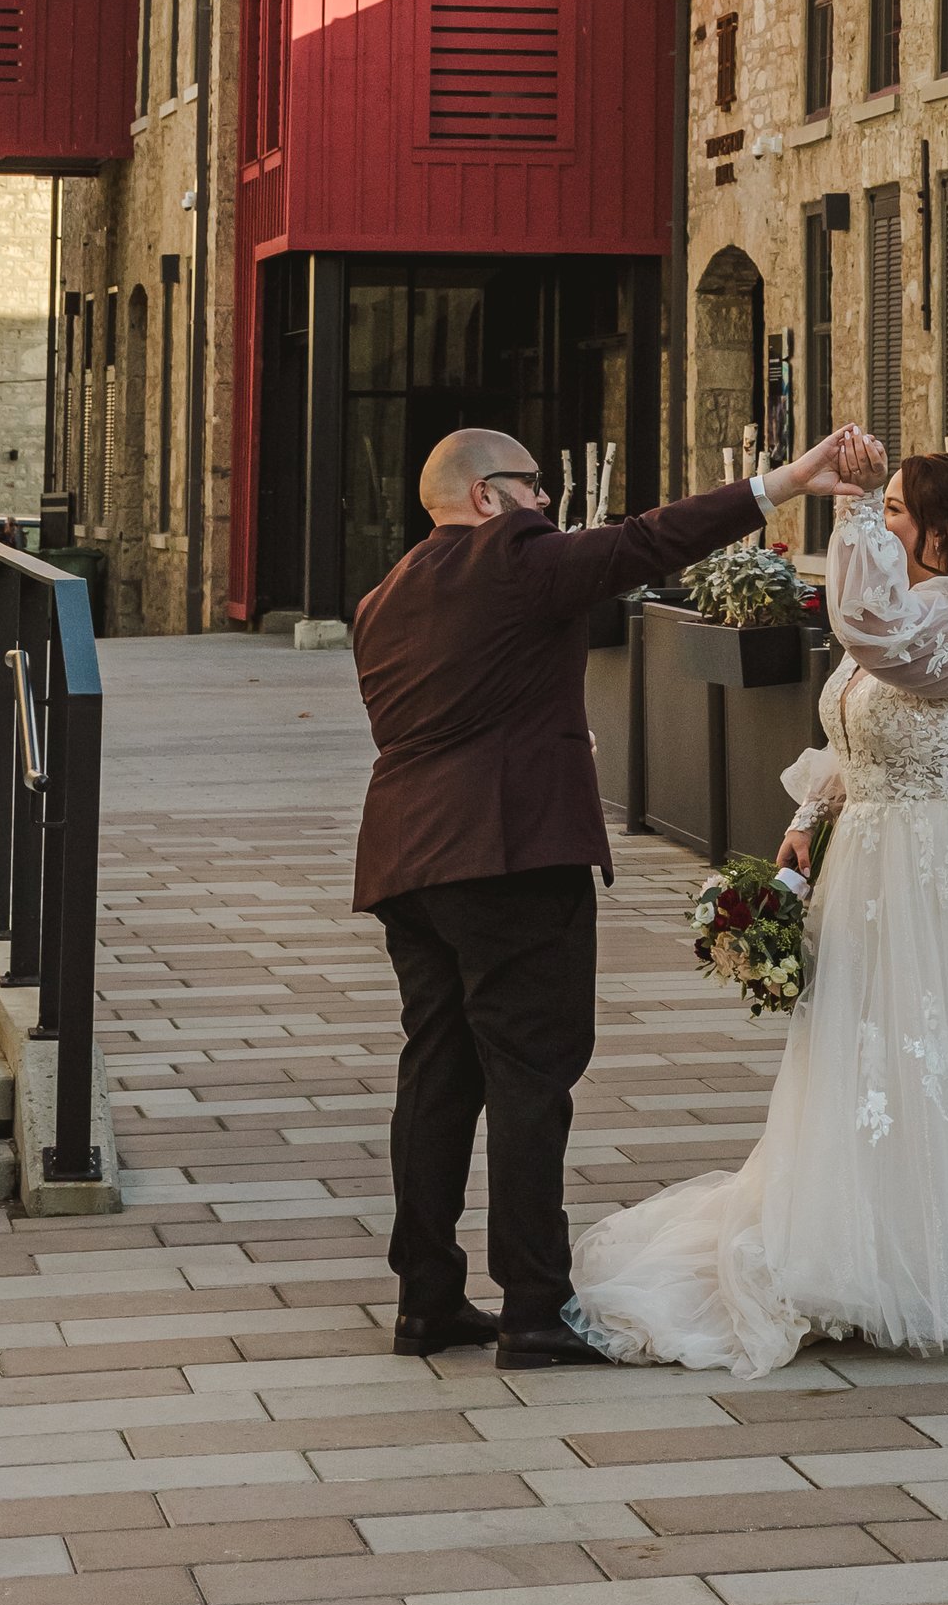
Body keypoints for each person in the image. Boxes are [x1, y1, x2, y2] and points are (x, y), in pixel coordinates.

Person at [568, 439, 948, 1376]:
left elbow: (870, 635)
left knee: (946, 1053)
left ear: (937, 530)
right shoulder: (921, 610)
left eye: (896, 511)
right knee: (867, 1054)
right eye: (881, 509)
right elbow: (860, 732)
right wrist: (811, 816)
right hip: (875, 857)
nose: (883, 524)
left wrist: (844, 506)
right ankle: (857, 1246)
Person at [351, 416, 872, 1370]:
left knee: (436, 1072)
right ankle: (535, 1309)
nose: (546, 504)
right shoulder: (513, 554)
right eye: (533, 486)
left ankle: (426, 1296)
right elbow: (646, 539)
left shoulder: (384, 597)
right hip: (508, 857)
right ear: (487, 498)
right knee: (528, 1075)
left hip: (406, 861)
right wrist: (785, 483)